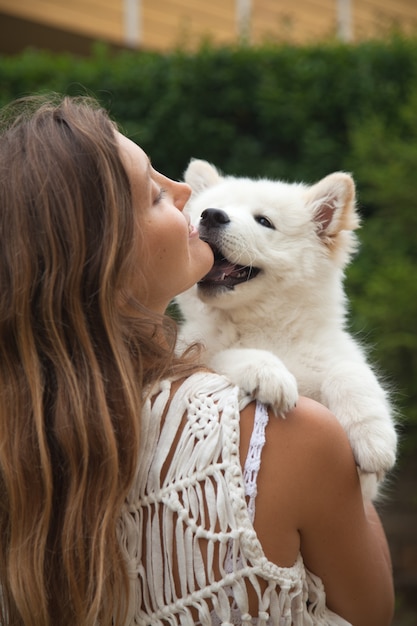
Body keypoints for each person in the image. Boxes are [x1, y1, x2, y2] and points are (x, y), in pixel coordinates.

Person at [0, 94, 394, 626]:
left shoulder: (25, 430)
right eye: (156, 195)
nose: (189, 197)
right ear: (103, 251)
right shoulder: (287, 435)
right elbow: (371, 610)